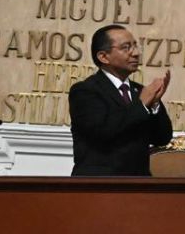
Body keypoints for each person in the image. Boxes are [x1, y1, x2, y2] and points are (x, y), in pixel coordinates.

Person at [69, 25, 173, 176]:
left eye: (135, 46)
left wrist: (155, 104)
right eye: (126, 48)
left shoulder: (140, 91)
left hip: (138, 185)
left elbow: (162, 138)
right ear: (103, 57)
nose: (136, 53)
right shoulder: (85, 91)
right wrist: (142, 105)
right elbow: (104, 131)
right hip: (98, 185)